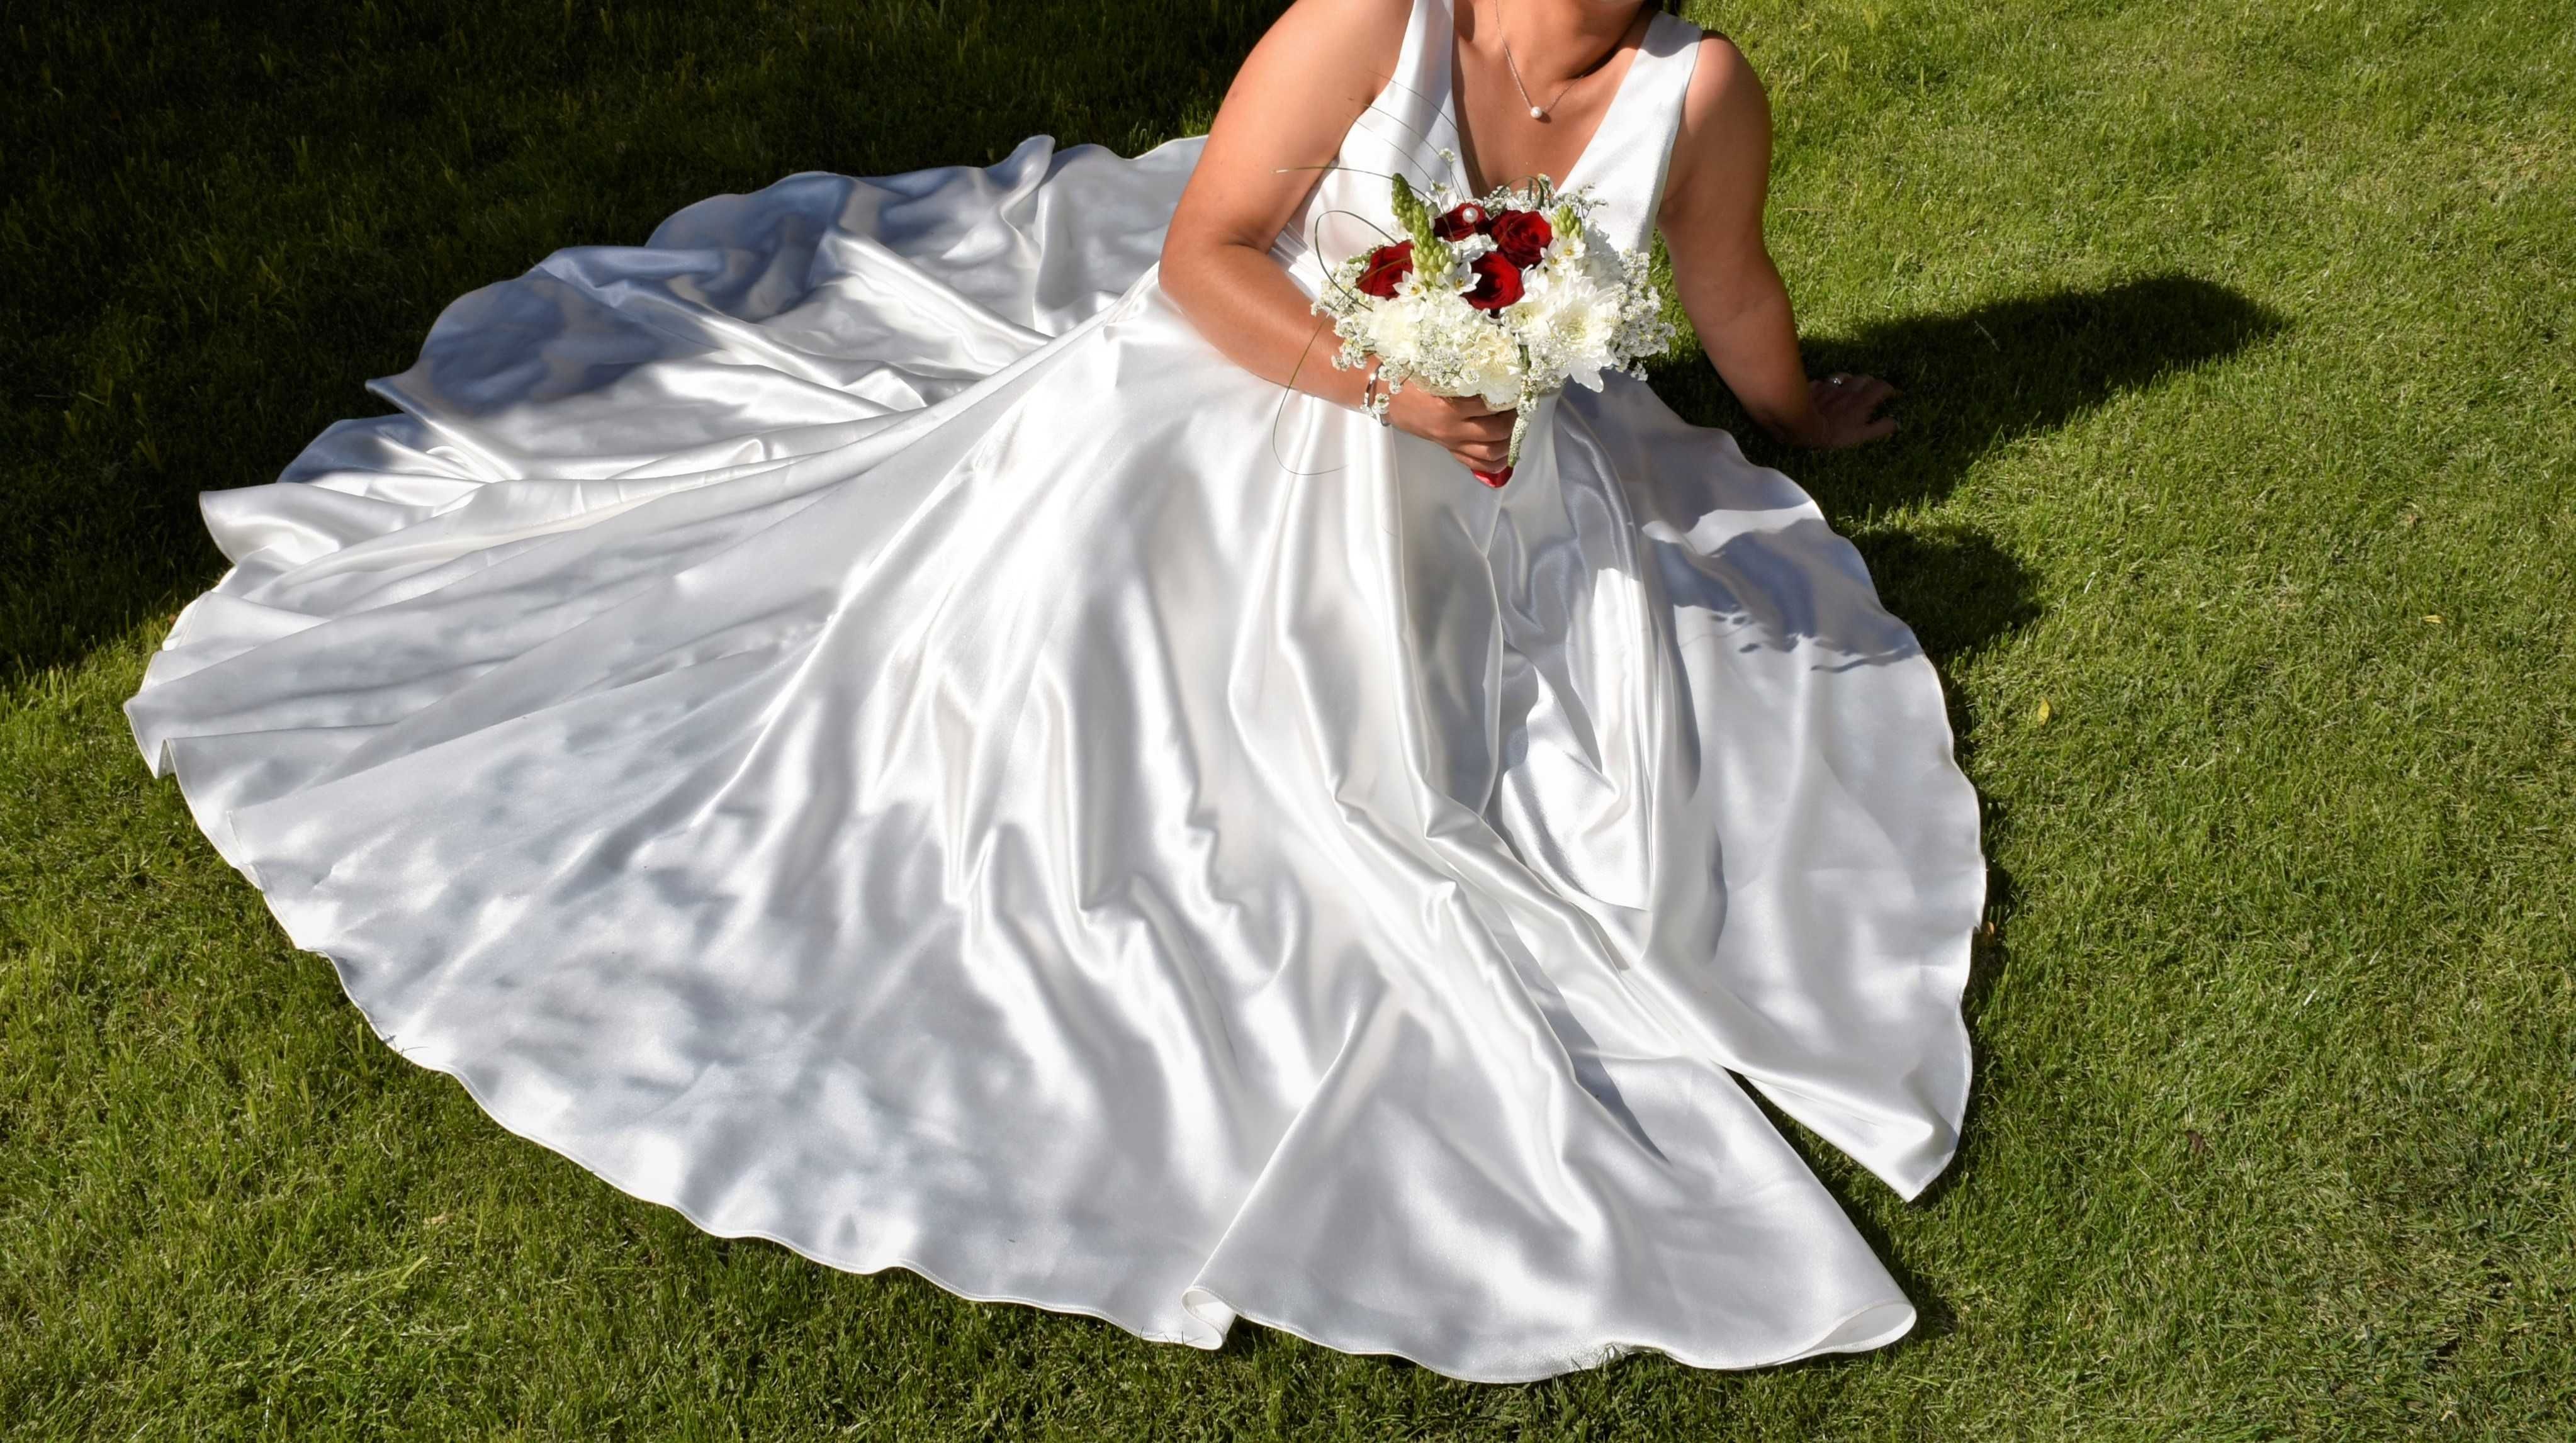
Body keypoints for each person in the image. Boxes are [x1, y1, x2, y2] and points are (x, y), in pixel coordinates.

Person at [125, 0, 1983, 1381]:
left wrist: (1800, 412)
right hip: (1245, 418)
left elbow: (1722, 275)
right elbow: (1204, 255)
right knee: (1149, 758)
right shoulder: (1376, 13)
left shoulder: (1697, 87)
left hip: (1504, 497)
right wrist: (1383, 383)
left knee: (1571, 791)